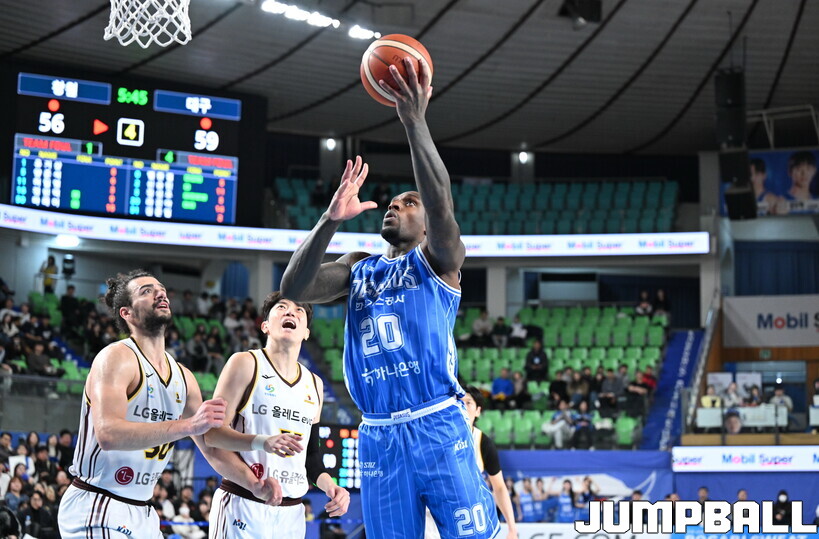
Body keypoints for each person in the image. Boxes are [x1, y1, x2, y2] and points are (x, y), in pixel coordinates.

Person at [280, 57, 499, 538]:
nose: (396, 205)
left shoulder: (439, 260)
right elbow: (293, 289)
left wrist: (413, 120)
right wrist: (329, 219)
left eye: (409, 203)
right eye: (393, 202)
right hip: (378, 432)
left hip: (436, 422)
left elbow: (441, 202)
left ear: (426, 224)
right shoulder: (358, 267)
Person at [57, 270, 281, 539]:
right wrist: (189, 425)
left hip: (143, 512)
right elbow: (108, 434)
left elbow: (212, 447)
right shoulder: (116, 357)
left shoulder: (183, 377)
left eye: (161, 289)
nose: (159, 293)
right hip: (98, 503)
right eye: (146, 291)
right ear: (127, 313)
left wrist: (254, 485)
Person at [204, 292, 349, 538]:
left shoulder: (315, 384)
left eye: (299, 310)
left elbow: (311, 456)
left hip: (292, 514)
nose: (291, 311)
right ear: (265, 326)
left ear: (306, 333)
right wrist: (263, 442)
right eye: (281, 307)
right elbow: (212, 435)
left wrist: (331, 486)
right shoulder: (245, 363)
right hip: (244, 503)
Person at [425, 387, 518, 538]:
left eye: (468, 403)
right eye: (459, 402)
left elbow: (500, 487)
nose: (463, 406)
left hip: (467, 515)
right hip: (433, 513)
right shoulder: (434, 436)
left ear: (478, 411)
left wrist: (512, 528)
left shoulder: (483, 443)